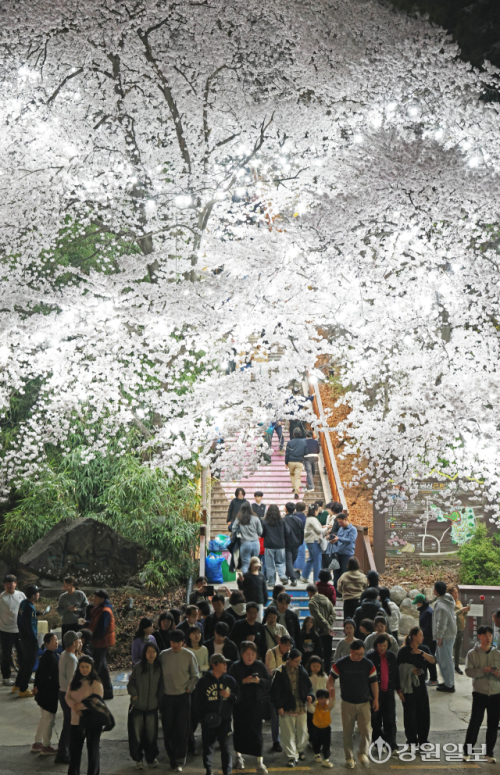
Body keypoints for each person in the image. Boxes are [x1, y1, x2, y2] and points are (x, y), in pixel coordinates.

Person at [328, 640, 379, 768]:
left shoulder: (368, 664)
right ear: (351, 651)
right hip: (347, 703)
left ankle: (362, 753)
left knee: (366, 731)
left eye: (362, 654)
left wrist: (376, 699)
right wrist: (331, 689)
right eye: (357, 654)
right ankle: (349, 758)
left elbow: (374, 683)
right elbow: (331, 677)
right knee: (347, 732)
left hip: (364, 703)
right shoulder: (341, 663)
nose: (360, 656)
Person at [159, 629, 199, 772]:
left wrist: (189, 689)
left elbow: (195, 675)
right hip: (167, 697)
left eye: (178, 642)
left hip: (183, 696)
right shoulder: (163, 655)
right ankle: (172, 757)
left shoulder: (189, 655)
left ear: (183, 642)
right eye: (172, 642)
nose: (175, 645)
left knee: (182, 729)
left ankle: (179, 759)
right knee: (168, 728)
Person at [193, 653, 240, 775]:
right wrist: (202, 719)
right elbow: (197, 701)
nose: (225, 665)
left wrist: (229, 695)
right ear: (214, 665)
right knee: (207, 748)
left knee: (226, 748)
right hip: (208, 721)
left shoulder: (230, 681)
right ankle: (208, 770)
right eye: (222, 663)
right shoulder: (203, 682)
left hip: (225, 720)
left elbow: (238, 699)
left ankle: (227, 772)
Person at [229, 641, 271, 774]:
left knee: (257, 732)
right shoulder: (235, 666)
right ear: (242, 654)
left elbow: (268, 683)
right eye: (247, 654)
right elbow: (229, 684)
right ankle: (238, 757)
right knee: (239, 730)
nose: (250, 657)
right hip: (240, 704)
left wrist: (259, 681)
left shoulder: (259, 665)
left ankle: (259, 761)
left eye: (253, 654)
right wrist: (243, 681)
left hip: (256, 704)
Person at [270, 648, 314, 767]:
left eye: (299, 661)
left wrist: (310, 696)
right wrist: (279, 706)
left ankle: (300, 750)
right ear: (289, 660)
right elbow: (275, 692)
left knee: (303, 731)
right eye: (296, 661)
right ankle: (292, 756)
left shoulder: (302, 670)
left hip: (301, 707)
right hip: (286, 708)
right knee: (288, 734)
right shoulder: (280, 672)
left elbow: (309, 687)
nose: (298, 663)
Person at [463, 625, 500, 764]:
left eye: (490, 635)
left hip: (496, 693)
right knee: (475, 723)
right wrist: (482, 671)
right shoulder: (472, 653)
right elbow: (468, 671)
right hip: (480, 692)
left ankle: (489, 753)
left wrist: (498, 673)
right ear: (479, 636)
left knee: (493, 724)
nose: (488, 638)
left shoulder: (497, 654)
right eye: (485, 635)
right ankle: (467, 751)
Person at [396, 626, 435, 748]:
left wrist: (421, 653)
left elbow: (433, 660)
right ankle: (411, 740)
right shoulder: (403, 651)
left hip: (421, 686)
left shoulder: (424, 649)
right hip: (408, 687)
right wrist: (409, 670)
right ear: (414, 637)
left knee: (423, 713)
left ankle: (423, 739)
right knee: (410, 715)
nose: (423, 637)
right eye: (420, 635)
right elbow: (397, 669)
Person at [65, 655, 104, 775]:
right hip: (76, 720)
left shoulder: (96, 683)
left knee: (93, 751)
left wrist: (80, 707)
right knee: (74, 751)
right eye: (82, 667)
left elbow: (96, 701)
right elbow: (68, 696)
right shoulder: (74, 681)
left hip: (92, 721)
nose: (84, 669)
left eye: (87, 667)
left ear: (92, 667)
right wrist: (74, 706)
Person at [127, 642, 162, 769]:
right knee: (136, 735)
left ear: (157, 653)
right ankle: (138, 759)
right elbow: (131, 683)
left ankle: (151, 758)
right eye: (148, 652)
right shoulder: (138, 667)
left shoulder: (159, 668)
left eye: (153, 651)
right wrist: (134, 695)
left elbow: (161, 686)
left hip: (152, 707)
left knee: (151, 735)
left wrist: (159, 701)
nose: (151, 654)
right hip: (137, 707)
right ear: (144, 653)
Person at [366, 634, 402, 756]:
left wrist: (399, 690)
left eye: (385, 646)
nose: (382, 648)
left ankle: (392, 745)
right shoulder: (370, 657)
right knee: (375, 721)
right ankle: (379, 744)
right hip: (375, 695)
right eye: (380, 645)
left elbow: (396, 674)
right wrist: (368, 693)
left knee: (390, 720)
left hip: (389, 693)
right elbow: (366, 677)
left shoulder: (391, 656)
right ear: (376, 645)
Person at [84, 589, 116, 700]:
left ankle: (94, 691)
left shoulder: (105, 611)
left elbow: (101, 629)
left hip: (101, 642)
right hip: (99, 642)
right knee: (102, 668)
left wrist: (90, 638)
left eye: (96, 598)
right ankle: (107, 691)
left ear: (102, 599)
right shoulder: (99, 609)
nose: (94, 599)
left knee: (96, 668)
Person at [32, 632, 60, 756]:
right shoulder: (51, 658)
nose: (56, 642)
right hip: (48, 694)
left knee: (44, 718)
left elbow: (38, 675)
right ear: (47, 643)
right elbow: (49, 677)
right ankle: (46, 746)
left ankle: (37, 743)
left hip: (43, 693)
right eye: (53, 640)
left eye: (56, 639)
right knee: (49, 720)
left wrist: (36, 688)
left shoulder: (47, 657)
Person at [56, 630, 81, 764]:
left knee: (68, 723)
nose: (79, 642)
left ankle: (64, 750)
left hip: (63, 692)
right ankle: (63, 753)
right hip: (68, 694)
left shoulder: (64, 654)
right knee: (69, 724)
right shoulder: (71, 659)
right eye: (77, 640)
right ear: (74, 643)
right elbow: (72, 680)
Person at [266, 635, 293, 753]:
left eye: (290, 645)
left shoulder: (290, 653)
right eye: (286, 645)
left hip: (287, 689)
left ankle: (289, 741)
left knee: (289, 716)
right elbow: (271, 671)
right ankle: (276, 741)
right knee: (275, 717)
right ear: (280, 643)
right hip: (275, 689)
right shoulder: (271, 653)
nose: (288, 648)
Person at [0, 573, 25, 687]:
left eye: (11, 583)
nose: (9, 586)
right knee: (6, 654)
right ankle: (6, 677)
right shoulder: (2, 598)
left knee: (22, 652)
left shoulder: (21, 595)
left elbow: (25, 608)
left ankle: (24, 674)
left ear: (15, 583)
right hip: (5, 630)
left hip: (19, 629)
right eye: (7, 584)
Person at [17, 583, 41, 697]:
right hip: (30, 639)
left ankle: (17, 685)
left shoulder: (23, 603)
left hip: (22, 637)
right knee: (29, 664)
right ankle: (23, 689)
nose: (39, 594)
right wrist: (35, 640)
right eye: (37, 593)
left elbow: (22, 619)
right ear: (33, 595)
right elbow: (30, 626)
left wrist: (37, 614)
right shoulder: (30, 607)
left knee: (25, 662)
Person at [432, 580, 457, 692]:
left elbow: (441, 623)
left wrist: (439, 637)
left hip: (445, 636)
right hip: (448, 634)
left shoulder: (441, 605)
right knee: (442, 659)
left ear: (436, 591)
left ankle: (450, 685)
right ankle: (447, 682)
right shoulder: (447, 600)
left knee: (446, 661)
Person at [307, 584, 336, 669]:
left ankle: (319, 672)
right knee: (328, 655)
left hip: (318, 632)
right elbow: (333, 614)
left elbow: (318, 617)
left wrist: (326, 627)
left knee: (317, 654)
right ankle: (327, 672)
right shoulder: (326, 599)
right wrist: (329, 626)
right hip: (328, 632)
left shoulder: (312, 602)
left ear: (309, 592)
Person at [413, 595, 438, 685]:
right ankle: (427, 676)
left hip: (429, 640)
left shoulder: (427, 612)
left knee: (429, 659)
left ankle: (434, 679)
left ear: (421, 602)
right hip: (426, 639)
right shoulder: (425, 610)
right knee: (426, 658)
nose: (417, 605)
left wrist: (420, 637)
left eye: (417, 603)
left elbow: (428, 628)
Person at [328, 513, 358, 589]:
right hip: (338, 553)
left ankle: (344, 590)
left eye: (341, 522)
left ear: (346, 519)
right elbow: (338, 539)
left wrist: (339, 539)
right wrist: (334, 541)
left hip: (347, 554)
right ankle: (336, 590)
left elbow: (351, 540)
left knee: (345, 573)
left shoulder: (353, 529)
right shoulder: (341, 529)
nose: (340, 524)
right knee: (336, 573)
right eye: (338, 522)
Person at [232, 504, 264, 573]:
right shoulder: (255, 518)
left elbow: (233, 529)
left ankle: (246, 578)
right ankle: (254, 577)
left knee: (246, 564)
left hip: (245, 543)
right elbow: (260, 532)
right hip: (256, 543)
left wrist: (240, 533)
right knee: (255, 564)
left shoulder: (239, 518)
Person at [305, 655, 328, 745]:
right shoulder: (308, 677)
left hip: (322, 704)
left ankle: (321, 741)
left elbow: (328, 689)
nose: (316, 668)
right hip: (311, 703)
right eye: (313, 666)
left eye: (318, 666)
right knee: (311, 723)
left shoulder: (324, 677)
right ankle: (312, 740)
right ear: (310, 666)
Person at [262, 504, 287, 586]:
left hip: (269, 545)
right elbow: (287, 532)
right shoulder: (282, 521)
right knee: (281, 562)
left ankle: (271, 581)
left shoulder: (265, 522)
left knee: (270, 564)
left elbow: (262, 534)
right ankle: (282, 576)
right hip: (280, 545)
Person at [299, 506, 324, 584]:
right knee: (317, 559)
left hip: (310, 541)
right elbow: (318, 530)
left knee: (311, 559)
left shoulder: (308, 518)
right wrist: (327, 529)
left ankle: (304, 576)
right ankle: (317, 579)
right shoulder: (313, 519)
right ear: (315, 511)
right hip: (314, 541)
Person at [310, 689, 334, 768]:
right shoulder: (315, 705)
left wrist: (333, 697)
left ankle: (326, 759)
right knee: (316, 742)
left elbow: (332, 705)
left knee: (327, 744)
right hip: (316, 728)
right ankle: (316, 754)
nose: (323, 700)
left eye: (325, 698)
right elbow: (311, 710)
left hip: (326, 728)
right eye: (321, 698)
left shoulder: (327, 706)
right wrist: (309, 703)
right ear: (317, 698)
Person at [449, 585, 469, 675]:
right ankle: (449, 665)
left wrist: (466, 611)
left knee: (458, 648)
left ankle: (456, 666)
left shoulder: (458, 602)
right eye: (455, 593)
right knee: (450, 648)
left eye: (457, 593)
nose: (457, 595)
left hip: (460, 628)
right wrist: (461, 610)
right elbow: (452, 615)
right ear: (450, 594)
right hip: (453, 628)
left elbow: (462, 615)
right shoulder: (449, 603)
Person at [283, 502, 305, 586]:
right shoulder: (298, 520)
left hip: (287, 543)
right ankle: (289, 576)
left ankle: (292, 578)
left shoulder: (283, 520)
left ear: (286, 509)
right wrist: (300, 541)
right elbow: (302, 532)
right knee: (291, 560)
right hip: (296, 543)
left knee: (289, 561)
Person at [285, 428, 308, 499]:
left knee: (292, 474)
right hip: (299, 461)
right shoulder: (304, 443)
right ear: (301, 434)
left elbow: (287, 453)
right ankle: (296, 492)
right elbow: (306, 452)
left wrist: (286, 462)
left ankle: (294, 487)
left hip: (291, 461)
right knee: (298, 477)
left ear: (293, 434)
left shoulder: (289, 442)